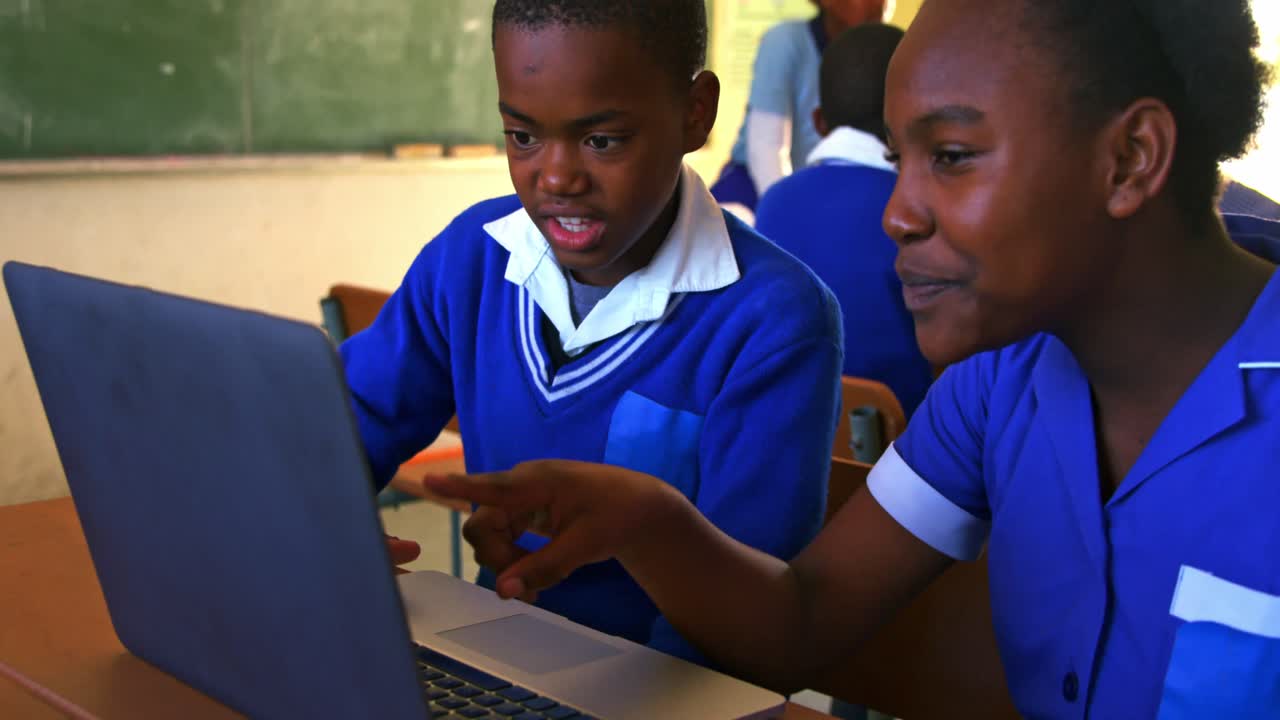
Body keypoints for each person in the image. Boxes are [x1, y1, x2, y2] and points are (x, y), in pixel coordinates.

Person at [426, 0, 1280, 716]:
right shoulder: (995, 387)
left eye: (949, 157)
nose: (896, 215)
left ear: (1128, 159)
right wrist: (652, 523)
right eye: (900, 160)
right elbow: (805, 619)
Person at [342, 0, 843, 664]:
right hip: (490, 660)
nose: (556, 178)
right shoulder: (473, 258)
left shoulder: (773, 322)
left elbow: (740, 628)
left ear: (696, 112)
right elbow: (348, 423)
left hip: (665, 690)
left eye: (601, 140)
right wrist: (317, 530)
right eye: (522, 137)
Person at [755, 23, 932, 417]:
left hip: (787, 430)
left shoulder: (774, 202)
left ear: (818, 121)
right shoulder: (915, 209)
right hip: (903, 446)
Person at [709, 0, 891, 216]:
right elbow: (766, 149)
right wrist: (789, 214)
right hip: (755, 190)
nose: (881, 3)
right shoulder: (785, 41)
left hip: (817, 193)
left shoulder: (885, 52)